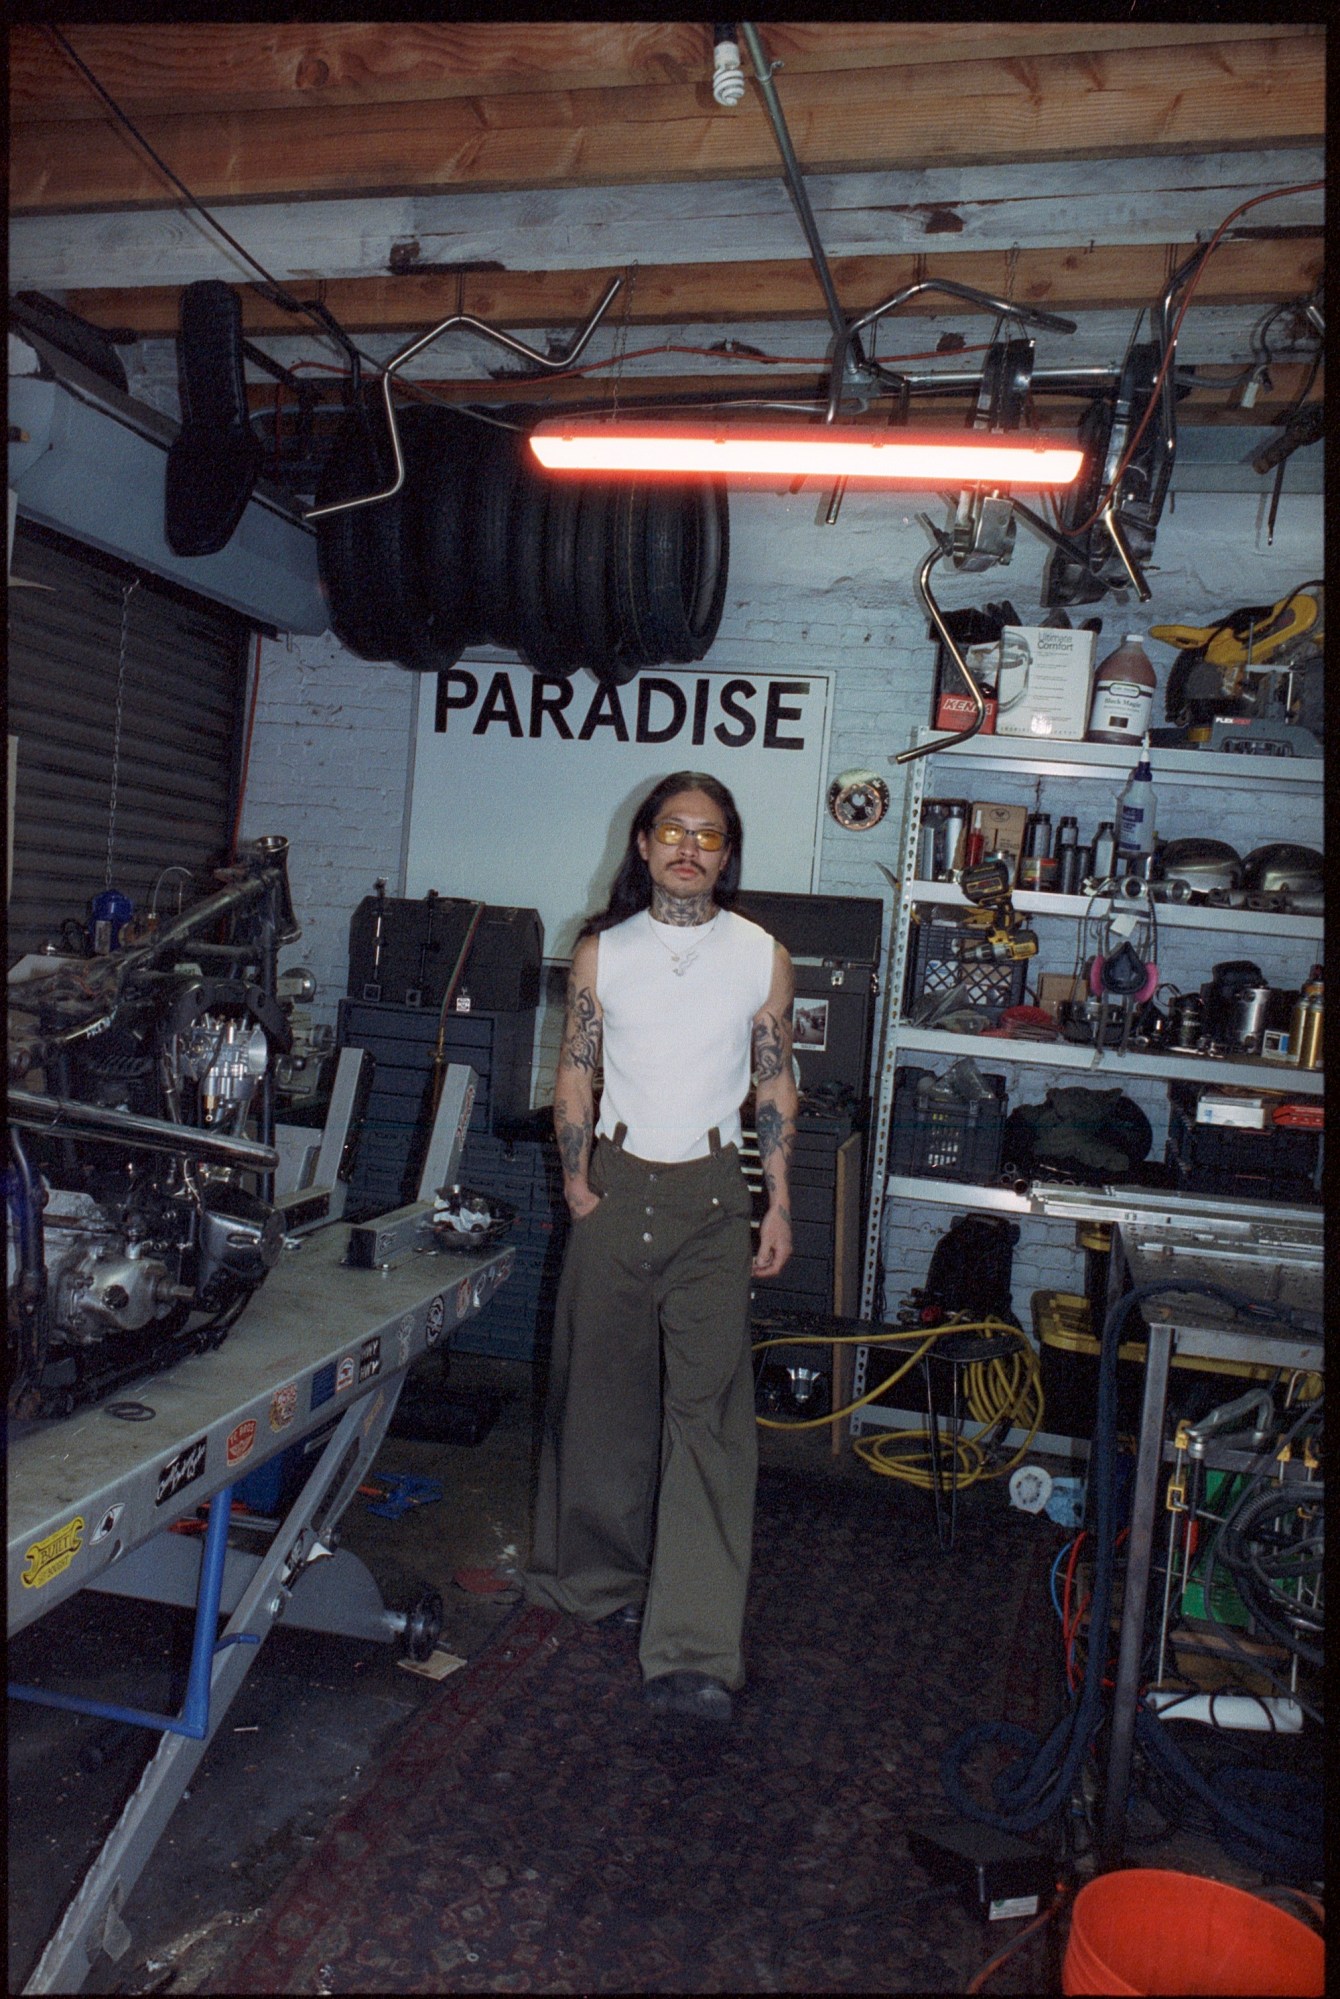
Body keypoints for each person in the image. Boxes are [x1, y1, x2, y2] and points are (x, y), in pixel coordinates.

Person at [524, 770, 797, 1722]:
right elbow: (575, 1070)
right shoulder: (603, 953)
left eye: (709, 834)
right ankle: (590, 1582)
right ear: (642, 844)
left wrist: (779, 1202)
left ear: (728, 853)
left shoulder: (761, 954)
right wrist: (575, 1182)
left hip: (718, 1200)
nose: (689, 846)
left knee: (708, 1417)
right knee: (597, 1394)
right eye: (672, 829)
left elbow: (773, 1087)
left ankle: (691, 1647)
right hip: (617, 1184)